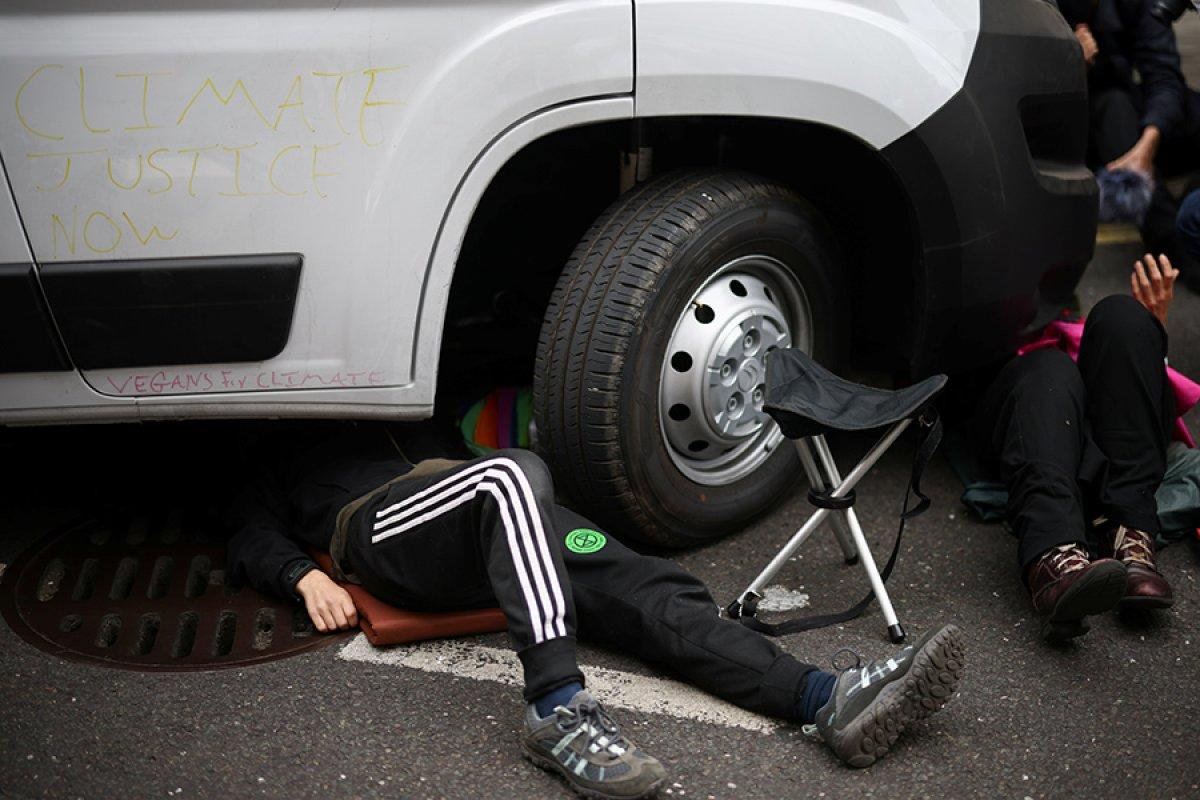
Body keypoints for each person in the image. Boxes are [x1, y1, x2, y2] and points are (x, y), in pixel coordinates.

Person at [226, 427, 964, 799]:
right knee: (514, 474)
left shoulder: (409, 405)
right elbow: (243, 524)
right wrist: (299, 576)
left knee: (649, 586)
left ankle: (823, 698)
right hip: (387, 530)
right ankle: (556, 710)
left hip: (494, 516)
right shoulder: (281, 437)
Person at [973, 253, 1180, 642]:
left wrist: (1154, 334)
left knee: (1125, 317)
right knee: (1049, 368)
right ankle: (1056, 557)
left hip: (1093, 408)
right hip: (1021, 396)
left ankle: (1130, 538)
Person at [1061, 0, 1200, 290]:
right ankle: (1171, 244)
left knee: (1186, 107)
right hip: (1079, 135)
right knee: (1112, 106)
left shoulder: (1135, 4)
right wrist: (1065, 64)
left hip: (1135, 127)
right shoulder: (1041, 10)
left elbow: (1163, 77)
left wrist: (1148, 144)